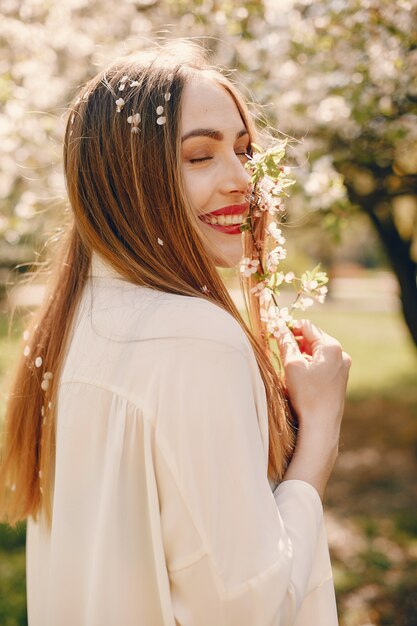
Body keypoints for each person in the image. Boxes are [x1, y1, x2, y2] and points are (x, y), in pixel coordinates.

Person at [0, 41, 351, 625]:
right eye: (198, 157)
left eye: (243, 150)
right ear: (126, 178)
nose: (243, 179)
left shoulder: (74, 324)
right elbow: (248, 607)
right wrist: (319, 438)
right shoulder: (193, 338)